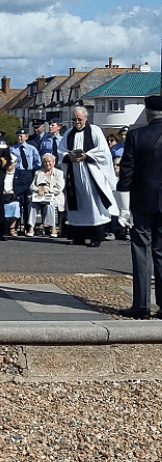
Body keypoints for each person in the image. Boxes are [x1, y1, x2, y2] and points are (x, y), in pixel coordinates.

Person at [116, 95, 162, 319]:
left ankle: (142, 305)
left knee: (141, 252)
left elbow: (126, 173)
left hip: (142, 201)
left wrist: (123, 208)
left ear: (147, 114)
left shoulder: (136, 135)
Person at [58, 106, 116, 247]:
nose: (77, 122)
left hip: (92, 175)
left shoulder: (94, 130)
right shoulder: (69, 133)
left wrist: (87, 155)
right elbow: (60, 150)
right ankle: (79, 237)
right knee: (77, 206)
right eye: (74, 119)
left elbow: (103, 151)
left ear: (86, 118)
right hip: (75, 175)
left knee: (93, 205)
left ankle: (96, 237)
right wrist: (68, 157)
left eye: (79, 119)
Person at [9, 127, 41, 233]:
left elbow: (38, 162)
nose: (20, 138)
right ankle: (16, 226)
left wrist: (32, 173)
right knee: (19, 200)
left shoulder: (32, 149)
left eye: (22, 136)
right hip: (18, 174)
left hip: (28, 174)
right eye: (18, 136)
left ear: (26, 137)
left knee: (28, 201)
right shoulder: (12, 149)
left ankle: (28, 227)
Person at [27, 153, 65, 238]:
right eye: (45, 162)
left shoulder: (59, 173)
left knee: (50, 205)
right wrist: (38, 189)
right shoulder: (38, 173)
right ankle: (31, 228)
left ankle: (53, 228)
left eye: (49, 161)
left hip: (54, 196)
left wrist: (47, 190)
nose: (47, 164)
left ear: (54, 162)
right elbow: (32, 186)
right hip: (39, 197)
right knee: (32, 205)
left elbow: (59, 188)